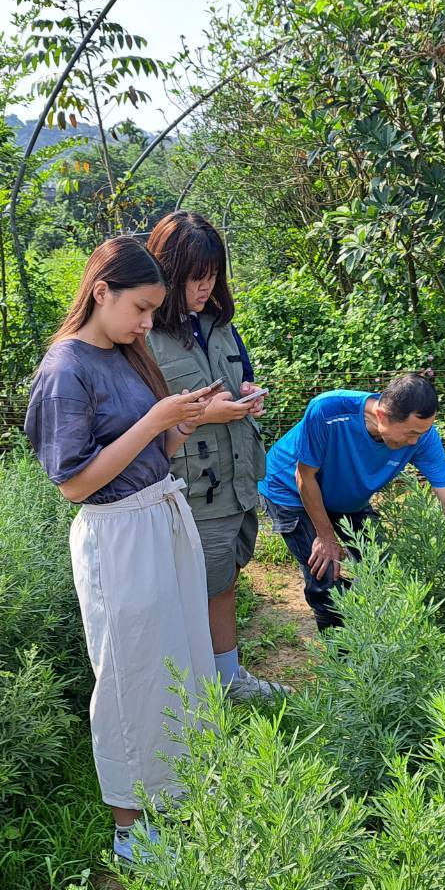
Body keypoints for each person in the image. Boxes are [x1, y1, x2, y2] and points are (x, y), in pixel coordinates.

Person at [25, 236, 225, 865]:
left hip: (161, 513)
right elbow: (75, 483)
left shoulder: (127, 352)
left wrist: (185, 421)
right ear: (100, 291)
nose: (147, 324)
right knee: (128, 676)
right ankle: (130, 827)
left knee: (179, 659)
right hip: (116, 534)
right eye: (140, 309)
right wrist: (157, 418)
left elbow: (151, 452)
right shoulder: (66, 369)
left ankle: (179, 792)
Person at [145, 211, 285, 701]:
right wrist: (208, 415)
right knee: (190, 592)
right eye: (194, 279)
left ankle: (225, 680)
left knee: (223, 582)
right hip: (190, 489)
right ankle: (195, 689)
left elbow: (237, 377)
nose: (204, 289)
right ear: (165, 272)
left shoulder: (218, 324)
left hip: (237, 482)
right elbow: (138, 422)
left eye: (211, 277)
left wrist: (248, 394)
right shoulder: (143, 337)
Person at [258, 372, 445, 630]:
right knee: (325, 576)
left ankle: (370, 632)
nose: (415, 441)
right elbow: (304, 476)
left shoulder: (422, 436)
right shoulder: (328, 410)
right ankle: (343, 662)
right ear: (383, 416)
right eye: (410, 433)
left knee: (382, 567)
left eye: (422, 433)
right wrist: (326, 536)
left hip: (346, 494)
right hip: (290, 489)